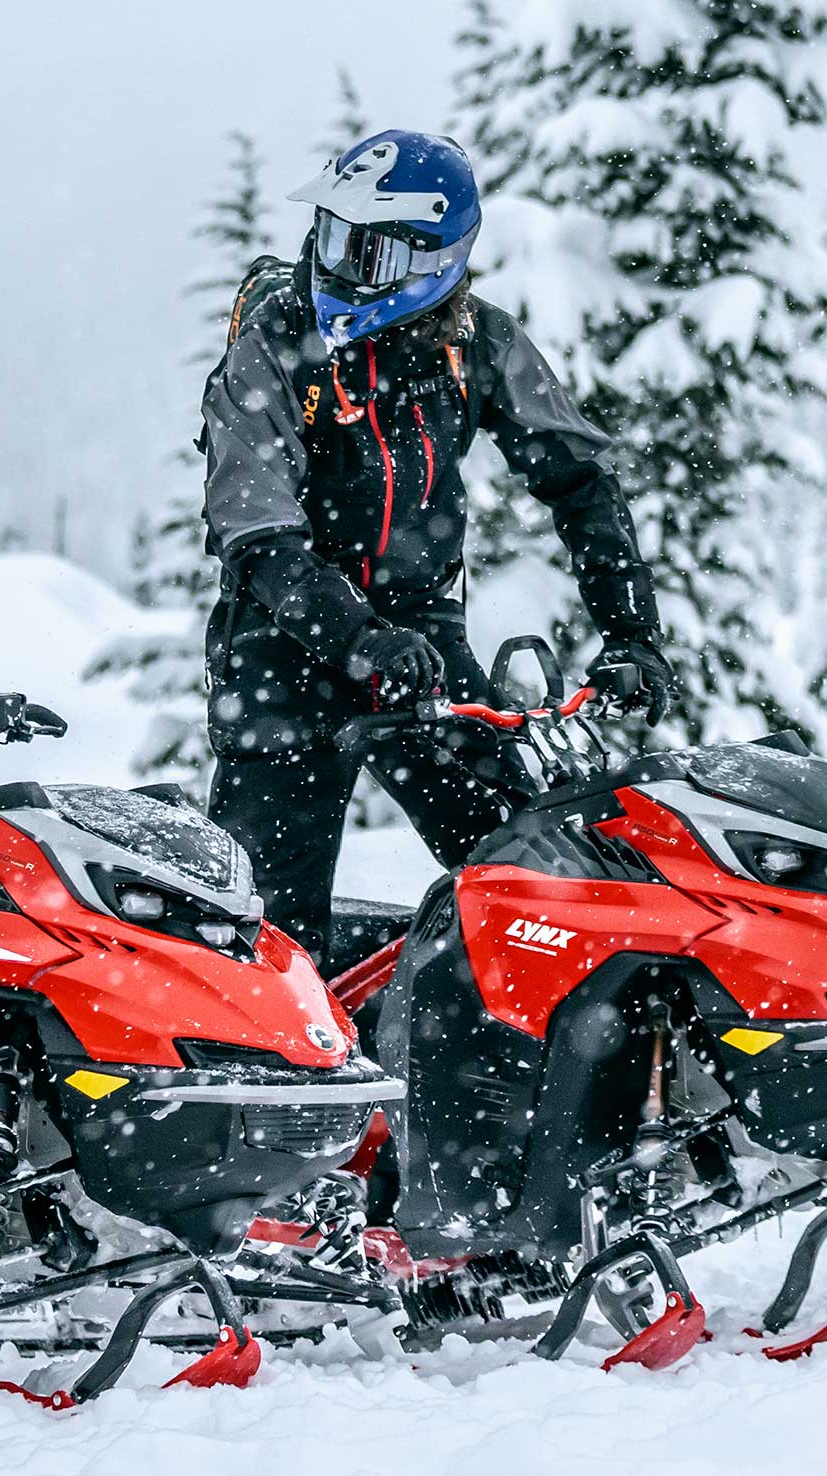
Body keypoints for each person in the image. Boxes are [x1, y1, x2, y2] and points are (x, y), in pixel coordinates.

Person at [196, 127, 673, 967]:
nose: (340, 267)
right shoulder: (272, 347)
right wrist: (355, 637)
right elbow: (256, 531)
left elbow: (581, 480)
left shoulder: (476, 344)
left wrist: (631, 633)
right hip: (282, 646)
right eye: (335, 237)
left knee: (527, 881)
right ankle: (281, 1082)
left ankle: (515, 1060)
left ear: (435, 262)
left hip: (418, 638)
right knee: (264, 935)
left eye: (371, 254)